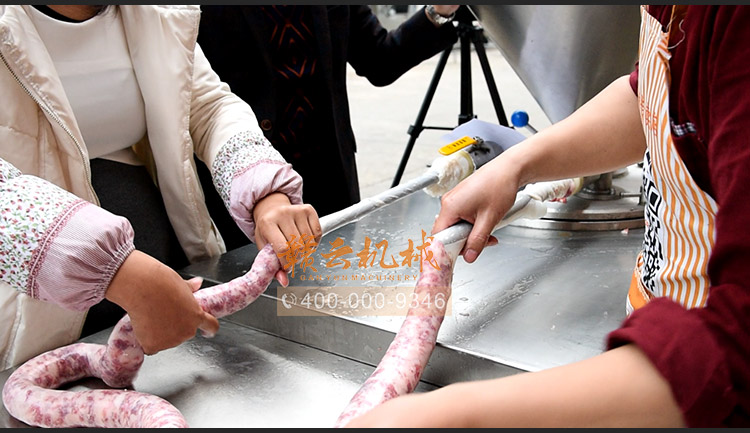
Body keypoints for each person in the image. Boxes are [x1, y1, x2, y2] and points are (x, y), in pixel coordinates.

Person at [344, 5, 750, 428]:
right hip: (654, 340)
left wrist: (459, 415)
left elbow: (737, 346)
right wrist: (516, 165)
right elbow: (651, 96)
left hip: (702, 392)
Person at [0, 5, 320, 370]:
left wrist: (264, 190)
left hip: (168, 279)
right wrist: (115, 271)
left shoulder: (154, 13)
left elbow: (207, 106)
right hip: (33, 317)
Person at [196, 4, 460, 250]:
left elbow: (379, 60)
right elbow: (200, 104)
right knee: (257, 280)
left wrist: (439, 12)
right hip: (246, 184)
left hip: (330, 174)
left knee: (340, 276)